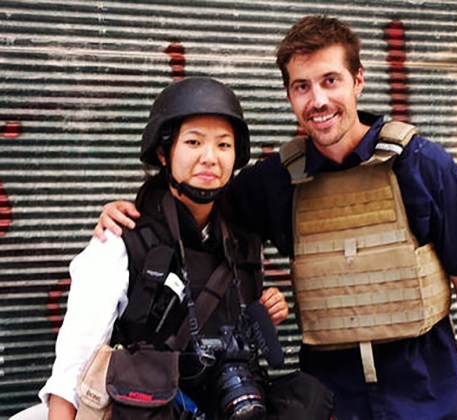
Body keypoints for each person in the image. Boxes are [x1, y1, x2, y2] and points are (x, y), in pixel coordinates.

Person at [95, 16, 457, 419]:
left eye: (330, 80)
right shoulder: (276, 181)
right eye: (301, 87)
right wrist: (127, 212)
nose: (318, 101)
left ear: (358, 80)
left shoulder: (423, 165)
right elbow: (196, 203)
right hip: (331, 402)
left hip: (426, 397)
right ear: (290, 96)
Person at [38, 77, 289, 420]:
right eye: (193, 142)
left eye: (223, 145)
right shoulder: (122, 241)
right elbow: (71, 373)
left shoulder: (241, 244)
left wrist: (262, 312)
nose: (210, 158)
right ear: (163, 152)